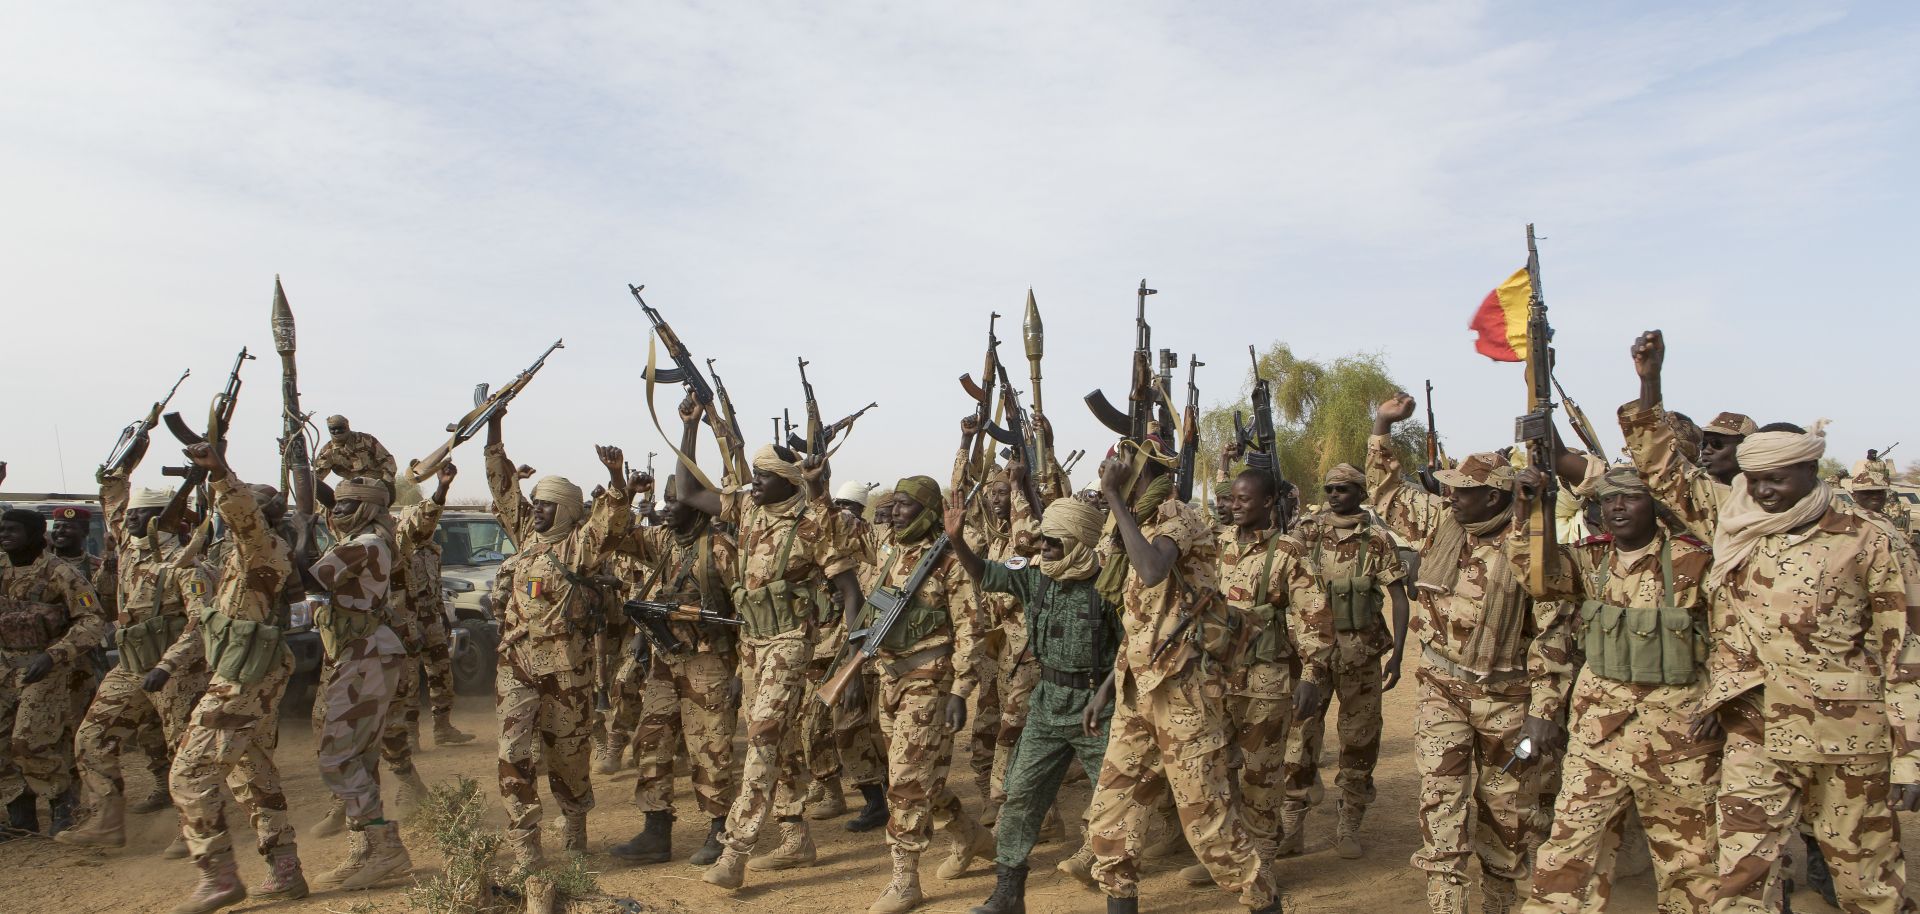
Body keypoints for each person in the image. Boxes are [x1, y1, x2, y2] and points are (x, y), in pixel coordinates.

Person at [1691, 422, 1920, 913]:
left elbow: (1906, 652)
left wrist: (1910, 756)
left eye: (1777, 478)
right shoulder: (1740, 526)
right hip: (1756, 725)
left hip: (1846, 739)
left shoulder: (1869, 538)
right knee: (1741, 876)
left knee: (1865, 881)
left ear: (1811, 469)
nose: (1764, 490)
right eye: (1755, 479)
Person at [1368, 394, 1575, 914]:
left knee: (1509, 814)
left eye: (1466, 490)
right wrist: (1382, 427)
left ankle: (1499, 902)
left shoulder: (1533, 546)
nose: (1452, 495)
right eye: (1452, 488)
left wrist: (1543, 714)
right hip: (1442, 688)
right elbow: (1388, 493)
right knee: (1442, 807)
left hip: (1509, 703)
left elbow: (1555, 634)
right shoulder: (1442, 524)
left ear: (1497, 497)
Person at [1080, 436, 1281, 914]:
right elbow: (1142, 622)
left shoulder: (1178, 515)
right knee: (1110, 821)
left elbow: (1152, 571)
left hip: (1184, 694)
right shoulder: (1137, 523)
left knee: (1210, 827)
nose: (1110, 469)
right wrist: (1109, 687)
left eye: (1120, 464)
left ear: (1139, 469)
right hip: (1138, 692)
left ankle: (1265, 903)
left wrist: (1111, 497)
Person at [1513, 467, 1718, 913]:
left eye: (1631, 497)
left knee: (1690, 865)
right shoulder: (1590, 560)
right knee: (1565, 853)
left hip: (1677, 739)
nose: (1618, 507)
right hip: (1598, 735)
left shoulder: (1694, 561)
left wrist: (1721, 699)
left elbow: (1733, 636)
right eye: (1609, 500)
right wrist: (1532, 508)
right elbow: (1536, 575)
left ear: (1655, 504)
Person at [676, 435, 860, 891]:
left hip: (791, 643)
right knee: (783, 742)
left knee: (760, 741)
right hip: (752, 645)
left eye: (762, 477)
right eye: (754, 475)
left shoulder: (814, 523)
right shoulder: (749, 510)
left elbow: (852, 592)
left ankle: (735, 850)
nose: (752, 483)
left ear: (787, 484)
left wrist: (853, 659)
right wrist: (691, 425)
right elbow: (687, 492)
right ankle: (795, 836)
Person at [949, 486, 1117, 914]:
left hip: (1098, 708)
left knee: (1115, 802)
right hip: (1046, 705)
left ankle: (1120, 893)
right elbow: (987, 572)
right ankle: (1008, 893)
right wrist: (955, 541)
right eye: (1042, 540)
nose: (1043, 548)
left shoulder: (1111, 585)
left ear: (1079, 542)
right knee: (1020, 795)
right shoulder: (1036, 576)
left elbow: (1134, 647)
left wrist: (1105, 693)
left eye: (1053, 542)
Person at [152, 444, 303, 913]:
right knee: (252, 773)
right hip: (244, 669)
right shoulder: (237, 558)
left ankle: (217, 878)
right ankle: (285, 871)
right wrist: (168, 665)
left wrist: (220, 473)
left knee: (190, 774)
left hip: (244, 677)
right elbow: (212, 623)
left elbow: (242, 516)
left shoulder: (263, 546)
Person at [1167, 464, 1331, 888]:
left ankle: (1262, 864)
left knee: (1262, 778)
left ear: (1267, 503)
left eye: (1243, 499)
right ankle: (1225, 855)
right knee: (1216, 773)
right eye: (1231, 499)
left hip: (1265, 683)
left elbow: (1313, 617)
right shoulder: (1215, 546)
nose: (1234, 506)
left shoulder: (1288, 553)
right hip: (1213, 681)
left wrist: (1312, 674)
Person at [484, 408, 632, 869]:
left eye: (545, 504)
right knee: (512, 754)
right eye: (535, 502)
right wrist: (494, 426)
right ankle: (526, 842)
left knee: (568, 754)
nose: (536, 509)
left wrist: (616, 479)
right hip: (517, 663)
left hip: (566, 667)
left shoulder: (580, 545)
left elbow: (611, 524)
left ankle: (573, 824)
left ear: (565, 509)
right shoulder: (527, 535)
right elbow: (501, 488)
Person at [850, 474, 993, 914]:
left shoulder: (947, 563)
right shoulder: (893, 555)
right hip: (890, 681)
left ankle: (904, 881)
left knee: (908, 785)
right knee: (914, 777)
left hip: (929, 686)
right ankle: (969, 834)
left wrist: (961, 690)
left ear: (928, 512)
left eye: (906, 504)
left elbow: (972, 629)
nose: (895, 511)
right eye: (892, 503)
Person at [608, 405, 743, 868]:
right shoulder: (664, 542)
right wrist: (621, 490)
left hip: (709, 661)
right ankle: (656, 829)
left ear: (695, 508)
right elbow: (616, 536)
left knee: (711, 746)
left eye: (674, 503)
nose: (666, 509)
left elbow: (747, 613)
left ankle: (718, 830)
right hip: (667, 659)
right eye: (664, 502)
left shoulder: (720, 550)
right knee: (653, 738)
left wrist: (741, 669)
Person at [59, 476, 215, 851]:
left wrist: (168, 665)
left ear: (164, 517)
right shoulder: (131, 549)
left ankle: (195, 829)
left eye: (141, 514)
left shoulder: (187, 563)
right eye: (131, 513)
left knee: (185, 751)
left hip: (176, 673)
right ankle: (107, 821)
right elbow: (112, 500)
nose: (129, 519)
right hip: (130, 665)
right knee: (91, 739)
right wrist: (115, 474)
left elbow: (201, 625)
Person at [1279, 463, 1409, 860]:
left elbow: (1399, 598)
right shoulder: (1307, 532)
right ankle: (1290, 826)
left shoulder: (1378, 540)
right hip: (1312, 659)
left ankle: (1349, 822)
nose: (1335, 494)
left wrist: (1399, 653)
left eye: (1344, 489)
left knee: (1360, 740)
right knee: (1299, 739)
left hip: (1361, 657)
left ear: (1360, 492)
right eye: (1330, 488)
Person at [306, 477, 413, 891]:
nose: (337, 511)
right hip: (360, 653)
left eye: (347, 505)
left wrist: (297, 526)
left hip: (365, 655)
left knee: (337, 756)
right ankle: (364, 851)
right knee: (361, 758)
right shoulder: (365, 537)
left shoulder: (366, 543)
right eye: (336, 504)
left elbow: (308, 580)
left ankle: (385, 848)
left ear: (367, 509)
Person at [954, 418, 1043, 827]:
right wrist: (965, 443)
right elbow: (960, 498)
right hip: (998, 650)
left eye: (1003, 493)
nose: (995, 500)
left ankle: (1003, 803)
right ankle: (1039, 812)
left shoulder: (1029, 539)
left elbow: (1009, 588)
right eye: (992, 494)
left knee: (1014, 732)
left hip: (1027, 651)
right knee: (990, 732)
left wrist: (1023, 485)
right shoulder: (996, 539)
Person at [0, 506, 106, 840]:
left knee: (29, 742)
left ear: (34, 536)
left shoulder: (60, 573)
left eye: (12, 530)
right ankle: (20, 813)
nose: (4, 535)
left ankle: (64, 803)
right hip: (5, 668)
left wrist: (54, 654)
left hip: (48, 670)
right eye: (2, 530)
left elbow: (93, 621)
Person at [805, 478, 889, 831]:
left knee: (877, 733)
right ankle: (862, 797)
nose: (843, 514)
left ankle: (891, 800)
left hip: (874, 655)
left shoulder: (876, 551)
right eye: (838, 506)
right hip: (832, 653)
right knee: (830, 730)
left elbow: (881, 600)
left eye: (849, 508)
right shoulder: (829, 553)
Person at [1618, 330, 1757, 539]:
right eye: (1704, 444)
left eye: (1718, 444)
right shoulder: (1709, 499)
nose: (1707, 450)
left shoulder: (1775, 503)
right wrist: (1650, 382)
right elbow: (1657, 464)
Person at [312, 416, 397, 485]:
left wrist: (387, 483)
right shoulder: (327, 451)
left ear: (347, 427)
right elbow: (317, 476)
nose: (337, 431)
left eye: (340, 428)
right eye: (333, 429)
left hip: (375, 483)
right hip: (350, 486)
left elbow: (388, 460)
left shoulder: (366, 440)